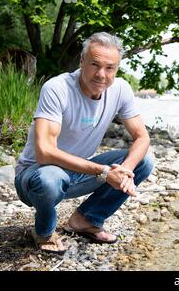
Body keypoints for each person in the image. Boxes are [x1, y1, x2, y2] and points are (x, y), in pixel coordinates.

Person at [14, 32, 154, 255]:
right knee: (52, 177)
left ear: (117, 68)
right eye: (94, 64)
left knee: (142, 162)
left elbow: (142, 137)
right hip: (34, 177)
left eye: (109, 68)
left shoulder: (121, 89)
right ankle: (44, 231)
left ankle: (86, 219)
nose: (101, 74)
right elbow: (45, 153)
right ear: (81, 61)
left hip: (76, 173)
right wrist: (104, 171)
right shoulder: (57, 88)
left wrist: (125, 171)